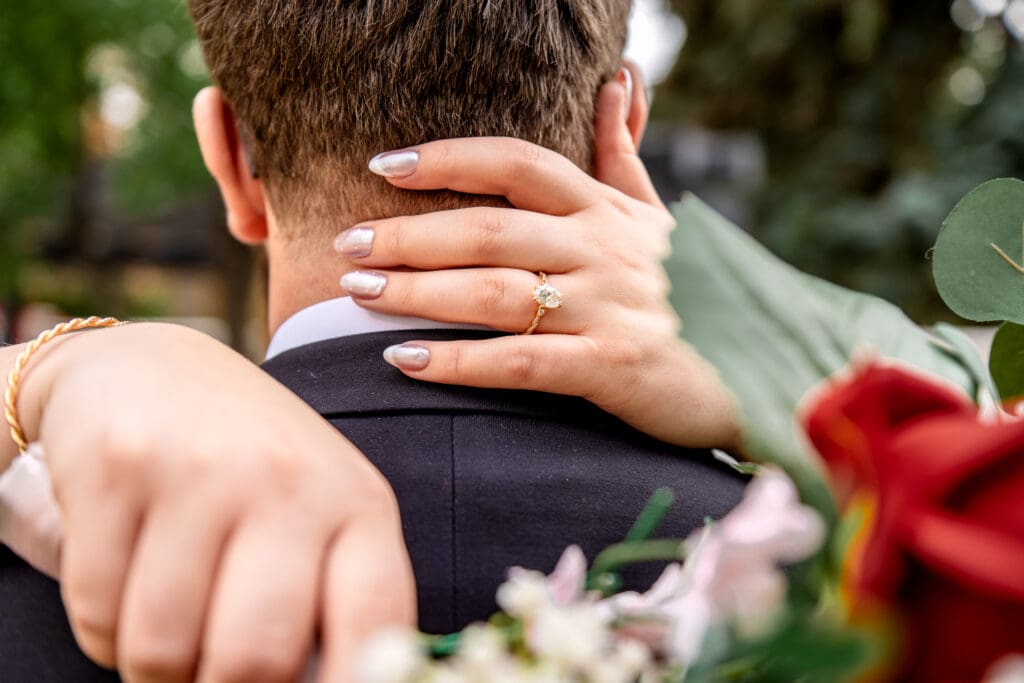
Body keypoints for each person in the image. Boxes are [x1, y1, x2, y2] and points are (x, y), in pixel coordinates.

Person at [0, 1, 744, 681]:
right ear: (627, 129)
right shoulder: (807, 552)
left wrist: (59, 360)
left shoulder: (50, 532)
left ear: (226, 151)